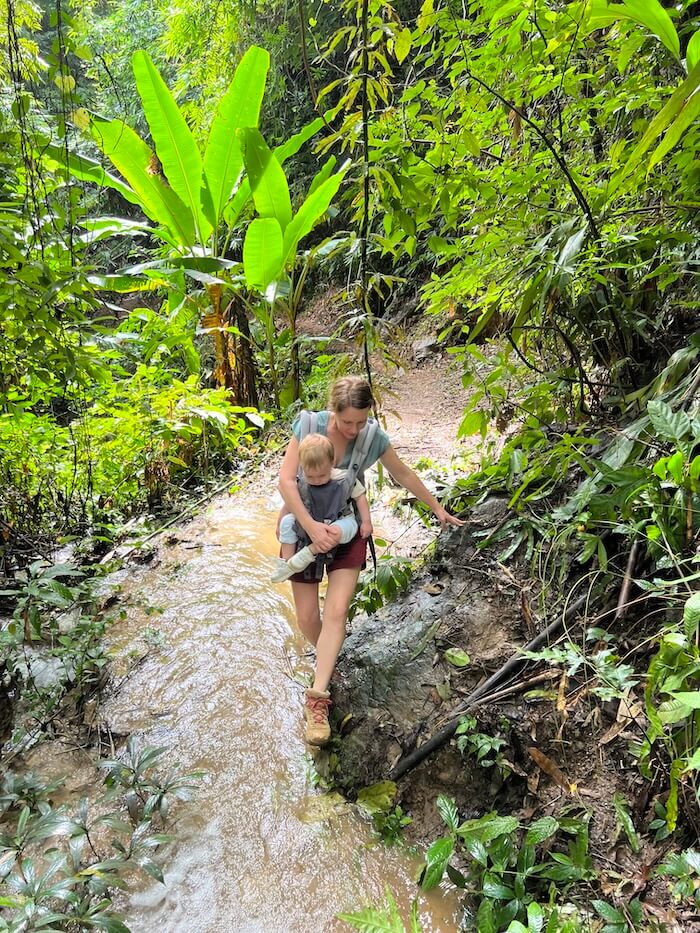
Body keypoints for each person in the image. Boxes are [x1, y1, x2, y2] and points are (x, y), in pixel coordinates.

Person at [277, 375, 464, 746]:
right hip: (303, 530)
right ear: (334, 411)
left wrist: (437, 509)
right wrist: (310, 527)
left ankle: (317, 701)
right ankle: (329, 663)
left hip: (347, 529)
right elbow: (285, 481)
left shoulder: (371, 436)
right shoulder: (309, 425)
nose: (354, 429)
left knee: (336, 613)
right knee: (307, 619)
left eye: (361, 422)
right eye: (347, 422)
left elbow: (403, 473)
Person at [271, 433, 372, 583]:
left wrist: (366, 522)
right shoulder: (301, 482)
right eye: (311, 477)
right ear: (302, 467)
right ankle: (287, 563)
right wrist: (280, 521)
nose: (317, 481)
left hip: (340, 519)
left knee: (338, 530)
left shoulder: (344, 480)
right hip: (312, 522)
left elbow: (360, 497)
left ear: (332, 463)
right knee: (287, 522)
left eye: (322, 476)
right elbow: (290, 503)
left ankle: (309, 552)